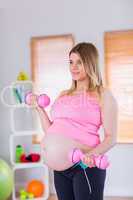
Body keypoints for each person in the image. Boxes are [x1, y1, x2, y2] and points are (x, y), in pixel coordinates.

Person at [32, 42, 118, 200]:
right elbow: (51, 131)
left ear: (90, 63)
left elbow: (111, 137)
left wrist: (90, 156)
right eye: (71, 62)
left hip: (84, 166)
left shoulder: (103, 95)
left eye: (80, 62)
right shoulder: (64, 94)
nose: (74, 67)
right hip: (60, 168)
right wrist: (39, 108)